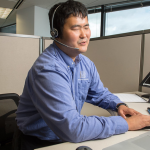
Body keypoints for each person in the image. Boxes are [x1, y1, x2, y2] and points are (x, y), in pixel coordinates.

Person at [15, 0, 150, 150]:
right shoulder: (48, 70)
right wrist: (126, 124)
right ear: (56, 33)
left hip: (66, 138)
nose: (84, 34)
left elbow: (100, 93)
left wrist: (119, 105)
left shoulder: (85, 63)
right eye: (76, 28)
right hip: (41, 143)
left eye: (86, 27)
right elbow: (72, 128)